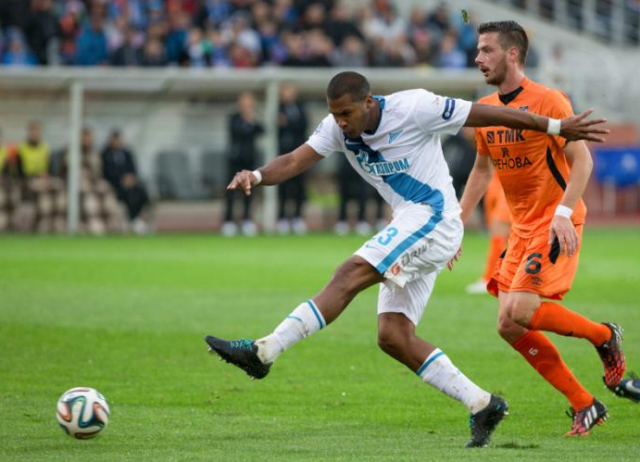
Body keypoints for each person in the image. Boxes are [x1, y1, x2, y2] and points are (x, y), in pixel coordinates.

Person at [205, 70, 607, 448]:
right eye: (334, 114)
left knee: (350, 272)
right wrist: (256, 176)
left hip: (433, 219)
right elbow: (294, 161)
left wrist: (554, 127)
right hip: (414, 225)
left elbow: (485, 113)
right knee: (393, 336)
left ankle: (265, 352)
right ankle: (483, 404)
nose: (340, 122)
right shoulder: (336, 128)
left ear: (368, 102)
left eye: (346, 113)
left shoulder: (415, 107)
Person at [449, 21, 626, 436]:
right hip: (521, 226)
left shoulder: (548, 100)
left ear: (513, 54)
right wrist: (458, 220)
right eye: (478, 50)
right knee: (508, 325)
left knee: (522, 310)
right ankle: (585, 404)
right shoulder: (487, 107)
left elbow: (583, 162)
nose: (478, 58)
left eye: (487, 50)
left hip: (555, 218)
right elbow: (481, 168)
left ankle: (603, 336)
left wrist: (563, 214)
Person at [221, 91, 264, 237]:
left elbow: (261, 130)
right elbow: (237, 131)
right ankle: (228, 221)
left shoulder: (254, 118)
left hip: (249, 160)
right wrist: (247, 122)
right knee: (231, 191)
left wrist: (251, 120)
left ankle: (246, 220)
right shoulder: (234, 118)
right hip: (235, 160)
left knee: (249, 191)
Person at [465, 172, 511, 294]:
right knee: (496, 228)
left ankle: (491, 278)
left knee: (500, 226)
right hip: (495, 175)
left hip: (513, 175)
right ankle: (502, 276)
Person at [101, 130, 150, 234]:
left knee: (141, 192)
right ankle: (131, 221)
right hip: (115, 185)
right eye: (115, 140)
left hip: (130, 184)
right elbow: (105, 172)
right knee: (129, 195)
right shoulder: (105, 154)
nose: (117, 142)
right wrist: (121, 180)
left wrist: (131, 178)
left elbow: (133, 169)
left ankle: (138, 220)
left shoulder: (127, 153)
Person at [276, 84, 309, 235]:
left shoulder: (301, 108)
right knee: (283, 187)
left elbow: (303, 125)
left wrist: (288, 122)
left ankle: (297, 218)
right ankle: (282, 218)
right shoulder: (277, 108)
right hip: (283, 154)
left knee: (299, 188)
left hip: (300, 155)